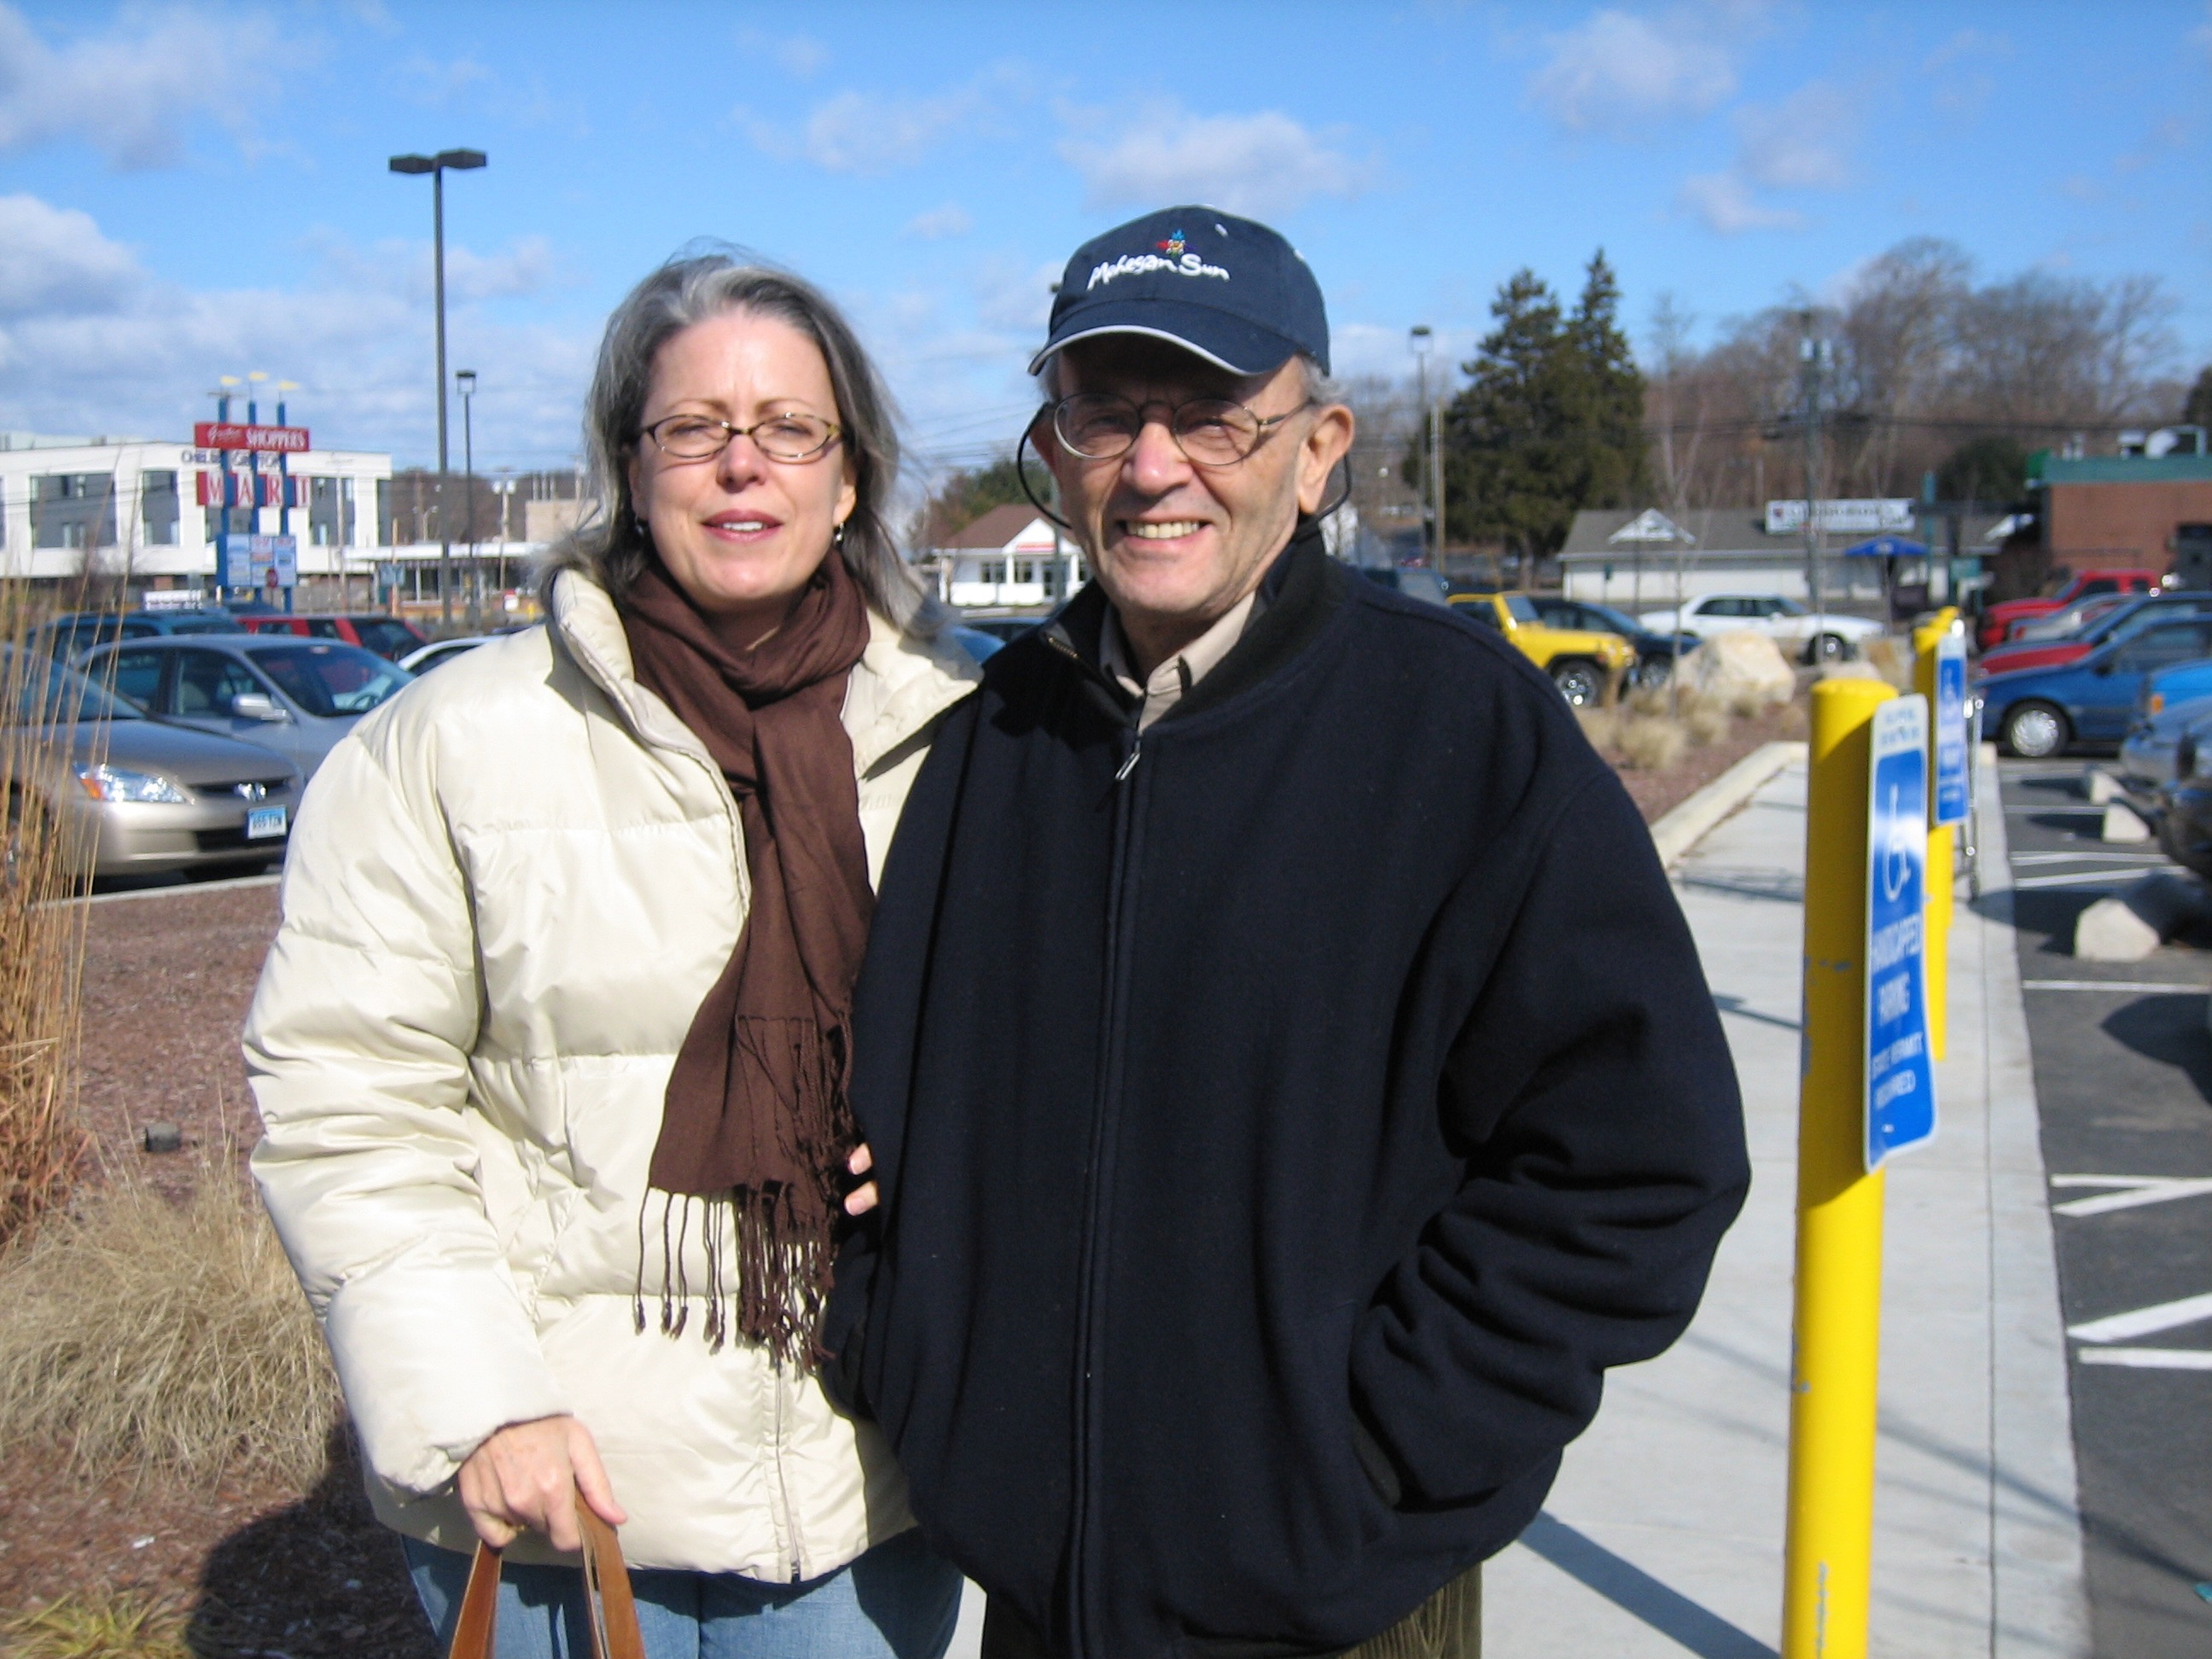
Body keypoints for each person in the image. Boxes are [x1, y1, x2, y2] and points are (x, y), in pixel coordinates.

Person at [824, 207, 1752, 1659]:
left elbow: (1642, 1163)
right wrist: (908, 1357)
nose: (1152, 466)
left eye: (1212, 418)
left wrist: (1377, 1446)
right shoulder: (995, 742)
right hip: (1035, 1596)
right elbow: (897, 1100)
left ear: (1319, 452)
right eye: (1105, 413)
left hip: (1339, 1599)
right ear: (1054, 445)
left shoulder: (1462, 736)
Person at [246, 254, 979, 1659]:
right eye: (693, 428)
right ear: (630, 469)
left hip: (875, 1479)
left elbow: (1068, 1051)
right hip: (555, 1499)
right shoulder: (447, 744)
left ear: (851, 477)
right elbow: (347, 1103)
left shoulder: (973, 729)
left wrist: (969, 1152)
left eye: (790, 428)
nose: (742, 464)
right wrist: (480, 1404)